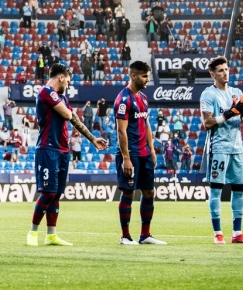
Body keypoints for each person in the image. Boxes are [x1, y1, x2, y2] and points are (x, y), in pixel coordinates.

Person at [28, 63, 107, 247]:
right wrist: (71, 114)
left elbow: (74, 118)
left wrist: (92, 139)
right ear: (61, 77)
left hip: (63, 150)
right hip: (48, 149)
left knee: (56, 194)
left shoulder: (61, 96)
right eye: (68, 81)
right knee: (47, 193)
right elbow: (67, 114)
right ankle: (32, 232)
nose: (69, 85)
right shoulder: (46, 92)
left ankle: (51, 235)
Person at [199, 56, 243, 245]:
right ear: (212, 74)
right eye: (221, 70)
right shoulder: (209, 94)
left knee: (239, 189)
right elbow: (207, 123)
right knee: (216, 190)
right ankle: (218, 234)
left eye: (226, 69)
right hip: (219, 147)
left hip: (237, 148)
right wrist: (230, 113)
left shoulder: (237, 92)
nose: (225, 73)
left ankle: (237, 233)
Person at [114, 61, 165, 245]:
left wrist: (152, 149)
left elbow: (147, 124)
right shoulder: (123, 100)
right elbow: (121, 131)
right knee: (128, 193)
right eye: (144, 76)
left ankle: (145, 235)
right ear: (134, 76)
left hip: (144, 153)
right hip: (131, 154)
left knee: (149, 191)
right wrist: (126, 158)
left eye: (148, 76)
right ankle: (125, 236)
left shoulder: (143, 98)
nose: (147, 80)